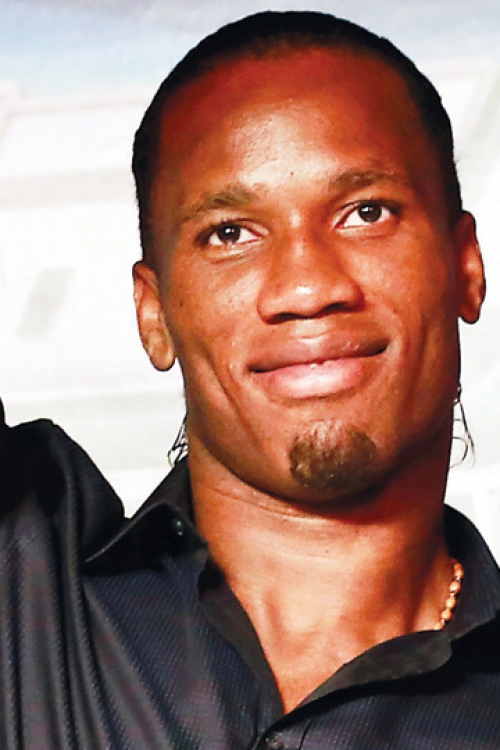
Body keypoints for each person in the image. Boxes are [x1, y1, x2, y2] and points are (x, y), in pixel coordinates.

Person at [1, 10, 498, 749]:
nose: (307, 287)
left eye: (366, 213)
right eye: (229, 234)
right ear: (154, 314)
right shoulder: (21, 581)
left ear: (465, 267)